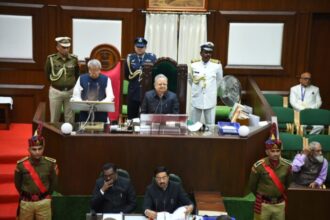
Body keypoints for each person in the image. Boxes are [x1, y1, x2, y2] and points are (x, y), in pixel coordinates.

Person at [248, 124, 291, 220]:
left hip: (279, 204)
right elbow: (252, 185)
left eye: (278, 151)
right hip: (264, 204)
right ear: (267, 152)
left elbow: (288, 184)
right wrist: (263, 196)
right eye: (272, 151)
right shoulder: (259, 166)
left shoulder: (287, 165)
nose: (276, 154)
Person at [14, 125, 58, 220]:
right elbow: (17, 183)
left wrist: (46, 195)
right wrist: (26, 194)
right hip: (26, 202)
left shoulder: (50, 163)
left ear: (43, 148)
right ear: (29, 150)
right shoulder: (21, 164)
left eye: (40, 148)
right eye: (34, 149)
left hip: (43, 202)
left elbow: (54, 183)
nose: (37, 152)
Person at [45, 36, 80, 124]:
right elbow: (47, 75)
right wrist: (58, 84)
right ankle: (54, 137)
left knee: (70, 118)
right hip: (56, 92)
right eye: (63, 47)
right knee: (54, 118)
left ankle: (69, 137)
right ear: (58, 47)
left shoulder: (74, 59)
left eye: (68, 47)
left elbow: (77, 74)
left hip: (70, 92)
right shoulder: (51, 59)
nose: (66, 49)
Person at [189, 42, 223, 125]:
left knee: (210, 125)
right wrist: (197, 88)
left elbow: (219, 81)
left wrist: (211, 90)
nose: (208, 54)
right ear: (201, 53)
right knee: (194, 124)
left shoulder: (217, 66)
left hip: (210, 99)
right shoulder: (194, 65)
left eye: (210, 53)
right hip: (197, 98)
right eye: (205, 52)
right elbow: (190, 79)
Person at [125, 37, 157, 119]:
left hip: (148, 91)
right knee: (131, 117)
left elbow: (154, 74)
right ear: (134, 47)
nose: (139, 49)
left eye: (141, 47)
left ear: (145, 47)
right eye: (137, 47)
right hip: (133, 91)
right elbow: (126, 75)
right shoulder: (129, 58)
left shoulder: (152, 58)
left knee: (147, 117)